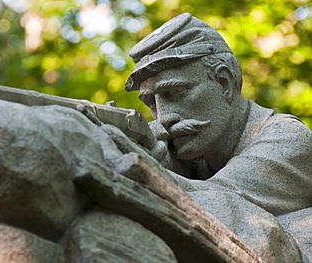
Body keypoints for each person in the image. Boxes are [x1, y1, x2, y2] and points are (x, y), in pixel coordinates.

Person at [123, 13, 312, 262]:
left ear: (224, 81)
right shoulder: (198, 156)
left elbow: (214, 207)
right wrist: (166, 162)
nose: (163, 119)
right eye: (152, 103)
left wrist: (143, 167)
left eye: (175, 93)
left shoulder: (287, 139)